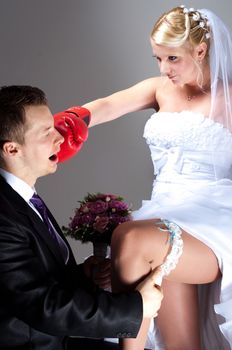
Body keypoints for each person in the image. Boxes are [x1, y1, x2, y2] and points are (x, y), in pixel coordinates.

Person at [56, 5, 232, 350]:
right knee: (180, 343)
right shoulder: (160, 89)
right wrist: (65, 123)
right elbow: (106, 105)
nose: (164, 69)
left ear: (201, 50)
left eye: (172, 59)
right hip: (164, 214)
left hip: (214, 220)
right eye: (157, 59)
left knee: (132, 239)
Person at [0, 85, 164, 350]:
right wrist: (136, 307)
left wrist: (83, 275)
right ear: (12, 150)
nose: (60, 138)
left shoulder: (21, 197)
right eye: (46, 133)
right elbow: (41, 305)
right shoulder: (4, 215)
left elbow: (29, 280)